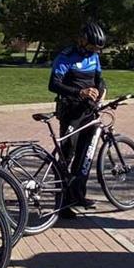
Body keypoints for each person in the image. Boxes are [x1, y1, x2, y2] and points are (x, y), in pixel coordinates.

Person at [49, 21, 108, 216]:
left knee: (85, 157)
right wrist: (80, 92)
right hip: (70, 114)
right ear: (82, 41)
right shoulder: (65, 57)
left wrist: (100, 94)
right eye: (91, 47)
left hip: (88, 113)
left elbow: (100, 80)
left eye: (97, 48)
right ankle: (62, 202)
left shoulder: (94, 57)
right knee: (67, 155)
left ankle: (78, 195)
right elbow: (54, 85)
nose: (94, 51)